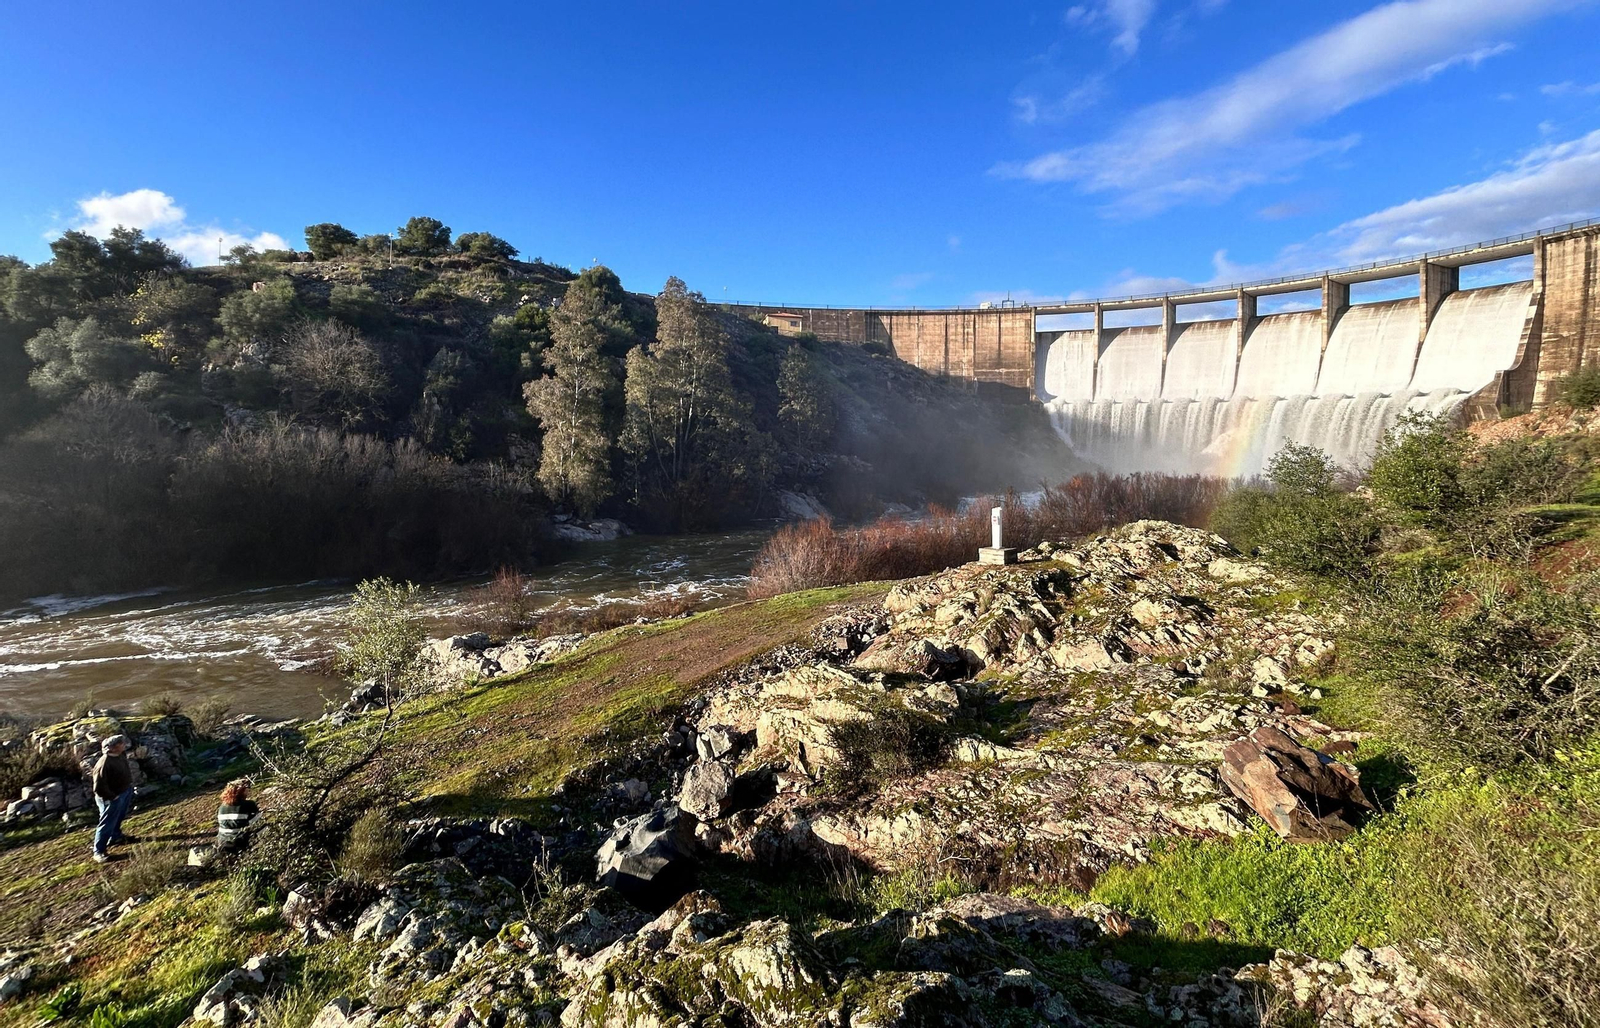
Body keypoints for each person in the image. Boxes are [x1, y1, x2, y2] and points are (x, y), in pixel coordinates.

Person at [91, 734, 137, 863]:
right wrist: (113, 797)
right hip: (111, 798)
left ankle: (116, 836)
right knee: (106, 823)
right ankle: (98, 851)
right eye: (121, 743)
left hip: (124, 791)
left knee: (119, 816)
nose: (124, 744)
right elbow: (99, 788)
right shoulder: (104, 763)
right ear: (114, 747)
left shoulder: (120, 755)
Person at [215, 780, 259, 854]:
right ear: (241, 791)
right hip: (239, 841)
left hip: (221, 841)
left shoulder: (221, 807)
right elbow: (257, 822)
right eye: (246, 789)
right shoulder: (248, 804)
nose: (248, 792)